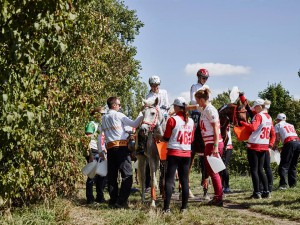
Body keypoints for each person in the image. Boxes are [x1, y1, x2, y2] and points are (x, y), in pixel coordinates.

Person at [100, 97, 143, 208]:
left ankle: (113, 200)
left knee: (112, 176)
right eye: (119, 104)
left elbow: (103, 133)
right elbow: (134, 124)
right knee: (127, 175)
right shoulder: (119, 115)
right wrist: (142, 114)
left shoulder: (104, 118)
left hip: (110, 148)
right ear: (114, 105)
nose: (120, 106)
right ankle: (121, 201)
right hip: (121, 147)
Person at [188, 86, 225, 206]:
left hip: (213, 143)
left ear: (202, 99)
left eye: (198, 100)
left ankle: (218, 197)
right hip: (208, 143)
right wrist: (178, 109)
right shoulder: (204, 108)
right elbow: (193, 107)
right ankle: (218, 195)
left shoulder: (210, 110)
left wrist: (215, 146)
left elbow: (215, 128)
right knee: (213, 171)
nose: (197, 102)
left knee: (213, 171)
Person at [158, 97, 194, 213]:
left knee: (169, 180)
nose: (173, 108)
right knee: (184, 180)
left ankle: (166, 208)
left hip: (174, 152)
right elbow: (192, 139)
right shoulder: (191, 121)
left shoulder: (172, 120)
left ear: (177, 107)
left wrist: (159, 137)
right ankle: (184, 208)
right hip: (187, 153)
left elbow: (167, 137)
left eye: (174, 106)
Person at [240, 99, 275, 199]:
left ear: (260, 106)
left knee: (254, 170)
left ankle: (257, 192)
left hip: (254, 145)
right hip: (264, 145)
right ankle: (266, 191)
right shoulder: (269, 117)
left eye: (255, 107)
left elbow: (253, 128)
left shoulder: (259, 116)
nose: (254, 109)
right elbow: (271, 133)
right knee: (260, 169)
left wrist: (244, 123)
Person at [146, 75, 170, 194]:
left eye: (156, 85)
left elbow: (167, 105)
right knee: (144, 124)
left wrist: (165, 114)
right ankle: (141, 146)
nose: (155, 87)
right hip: (153, 116)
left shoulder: (164, 92)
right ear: (150, 85)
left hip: (164, 116)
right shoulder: (148, 96)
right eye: (153, 85)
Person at [189, 68, 210, 199]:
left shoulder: (208, 87)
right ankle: (190, 140)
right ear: (198, 77)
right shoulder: (194, 86)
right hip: (197, 111)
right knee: (194, 125)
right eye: (203, 78)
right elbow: (192, 101)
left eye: (206, 78)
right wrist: (199, 105)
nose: (204, 80)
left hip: (206, 109)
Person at [84, 107, 107, 204]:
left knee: (102, 175)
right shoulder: (91, 124)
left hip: (101, 152)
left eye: (103, 114)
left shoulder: (101, 125)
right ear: (96, 114)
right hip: (93, 151)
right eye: (101, 114)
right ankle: (90, 199)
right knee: (91, 176)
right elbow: (86, 140)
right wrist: (89, 154)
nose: (102, 116)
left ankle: (100, 197)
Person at [273, 113, 300, 190]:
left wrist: (274, 147)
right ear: (285, 119)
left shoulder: (277, 125)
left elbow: (278, 139)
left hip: (290, 143)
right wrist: (284, 146)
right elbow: (291, 137)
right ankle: (293, 185)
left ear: (278, 120)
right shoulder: (291, 125)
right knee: (293, 165)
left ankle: (283, 185)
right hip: (298, 143)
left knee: (283, 166)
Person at [221, 126, 233, 194]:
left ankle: (227, 186)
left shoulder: (225, 121)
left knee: (224, 166)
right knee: (220, 167)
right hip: (221, 146)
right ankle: (222, 186)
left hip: (228, 147)